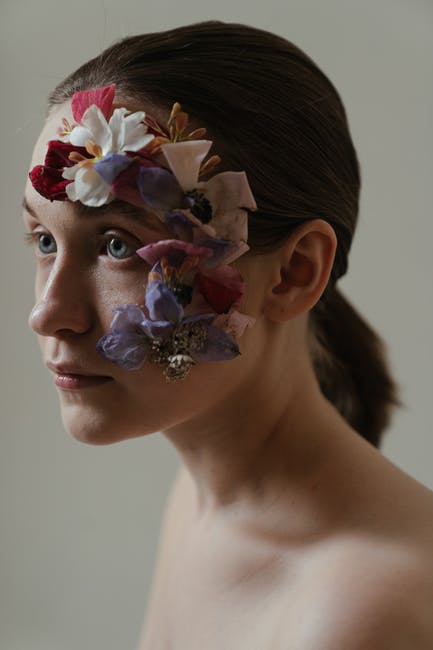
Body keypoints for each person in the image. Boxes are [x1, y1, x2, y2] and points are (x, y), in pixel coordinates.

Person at [23, 20, 433, 650]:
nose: (48, 314)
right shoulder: (200, 501)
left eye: (117, 245)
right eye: (44, 240)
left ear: (294, 274)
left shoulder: (363, 614)